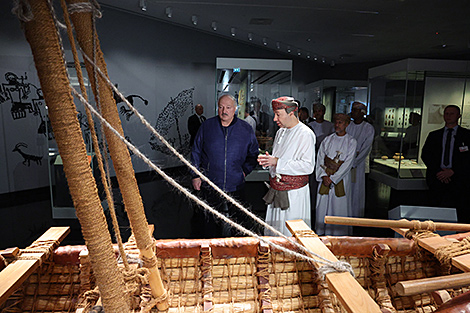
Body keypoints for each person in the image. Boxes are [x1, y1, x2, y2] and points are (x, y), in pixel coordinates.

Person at [191, 95, 259, 238]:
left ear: (235, 109)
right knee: (209, 220)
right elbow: (196, 151)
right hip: (210, 182)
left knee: (238, 221)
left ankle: (236, 251)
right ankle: (211, 250)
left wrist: (244, 171)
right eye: (221, 107)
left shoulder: (245, 129)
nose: (224, 111)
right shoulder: (207, 126)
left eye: (228, 107)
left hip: (236, 183)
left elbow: (253, 154)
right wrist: (195, 174)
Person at [258, 96, 316, 236]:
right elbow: (277, 161)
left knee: (290, 233)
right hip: (276, 190)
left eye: (278, 115)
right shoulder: (280, 132)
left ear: (291, 112)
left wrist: (277, 162)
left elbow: (308, 166)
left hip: (294, 195)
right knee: (274, 232)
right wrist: (268, 161)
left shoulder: (305, 134)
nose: (275, 119)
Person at [422, 105, 470, 224]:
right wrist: (439, 171)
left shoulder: (467, 135)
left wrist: (453, 171)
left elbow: (467, 159)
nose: (448, 116)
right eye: (446, 113)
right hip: (437, 179)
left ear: (458, 116)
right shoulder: (434, 135)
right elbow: (426, 155)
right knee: (435, 210)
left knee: (460, 212)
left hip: (459, 181)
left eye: (452, 114)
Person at [315, 113, 357, 235]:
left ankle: (339, 233)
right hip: (325, 178)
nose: (337, 125)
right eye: (336, 122)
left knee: (339, 206)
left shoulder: (351, 142)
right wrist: (324, 176)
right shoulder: (327, 140)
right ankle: (322, 231)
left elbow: (348, 164)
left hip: (341, 179)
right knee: (322, 205)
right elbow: (320, 159)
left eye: (340, 122)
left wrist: (333, 178)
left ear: (347, 124)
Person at [307, 103, 335, 227]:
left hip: (326, 160)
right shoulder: (310, 126)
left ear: (324, 112)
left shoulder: (329, 126)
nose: (317, 113)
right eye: (315, 111)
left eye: (320, 110)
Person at [346, 101, 374, 218]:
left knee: (357, 190)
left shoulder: (368, 128)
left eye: (355, 110)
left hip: (359, 164)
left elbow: (366, 148)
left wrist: (355, 161)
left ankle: (356, 215)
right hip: (346, 164)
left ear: (362, 112)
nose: (352, 113)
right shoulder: (349, 126)